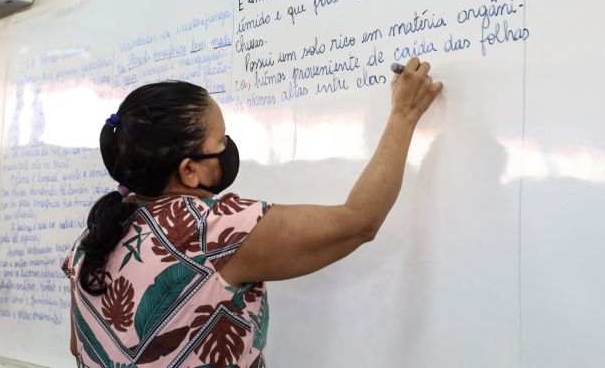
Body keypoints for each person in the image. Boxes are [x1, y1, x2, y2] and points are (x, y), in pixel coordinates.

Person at [61, 56, 443, 367]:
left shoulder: (93, 239)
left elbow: (80, 347)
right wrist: (404, 115)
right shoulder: (211, 229)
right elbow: (359, 221)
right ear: (189, 170)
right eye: (220, 140)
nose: (228, 146)